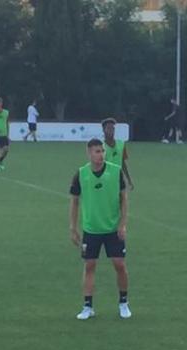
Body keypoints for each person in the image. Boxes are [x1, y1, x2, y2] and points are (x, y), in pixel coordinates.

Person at [69, 138, 131, 320]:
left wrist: (122, 223)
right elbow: (74, 201)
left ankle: (123, 302)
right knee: (89, 265)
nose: (101, 154)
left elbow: (124, 199)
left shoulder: (115, 171)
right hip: (91, 229)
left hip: (112, 229)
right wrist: (73, 227)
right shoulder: (81, 174)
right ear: (89, 153)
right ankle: (88, 306)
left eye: (102, 151)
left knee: (120, 265)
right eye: (97, 151)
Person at [102, 118, 134, 190]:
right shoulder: (100, 146)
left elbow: (123, 163)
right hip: (105, 181)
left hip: (118, 179)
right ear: (104, 130)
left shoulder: (121, 144)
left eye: (113, 128)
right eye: (108, 128)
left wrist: (129, 180)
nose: (111, 130)